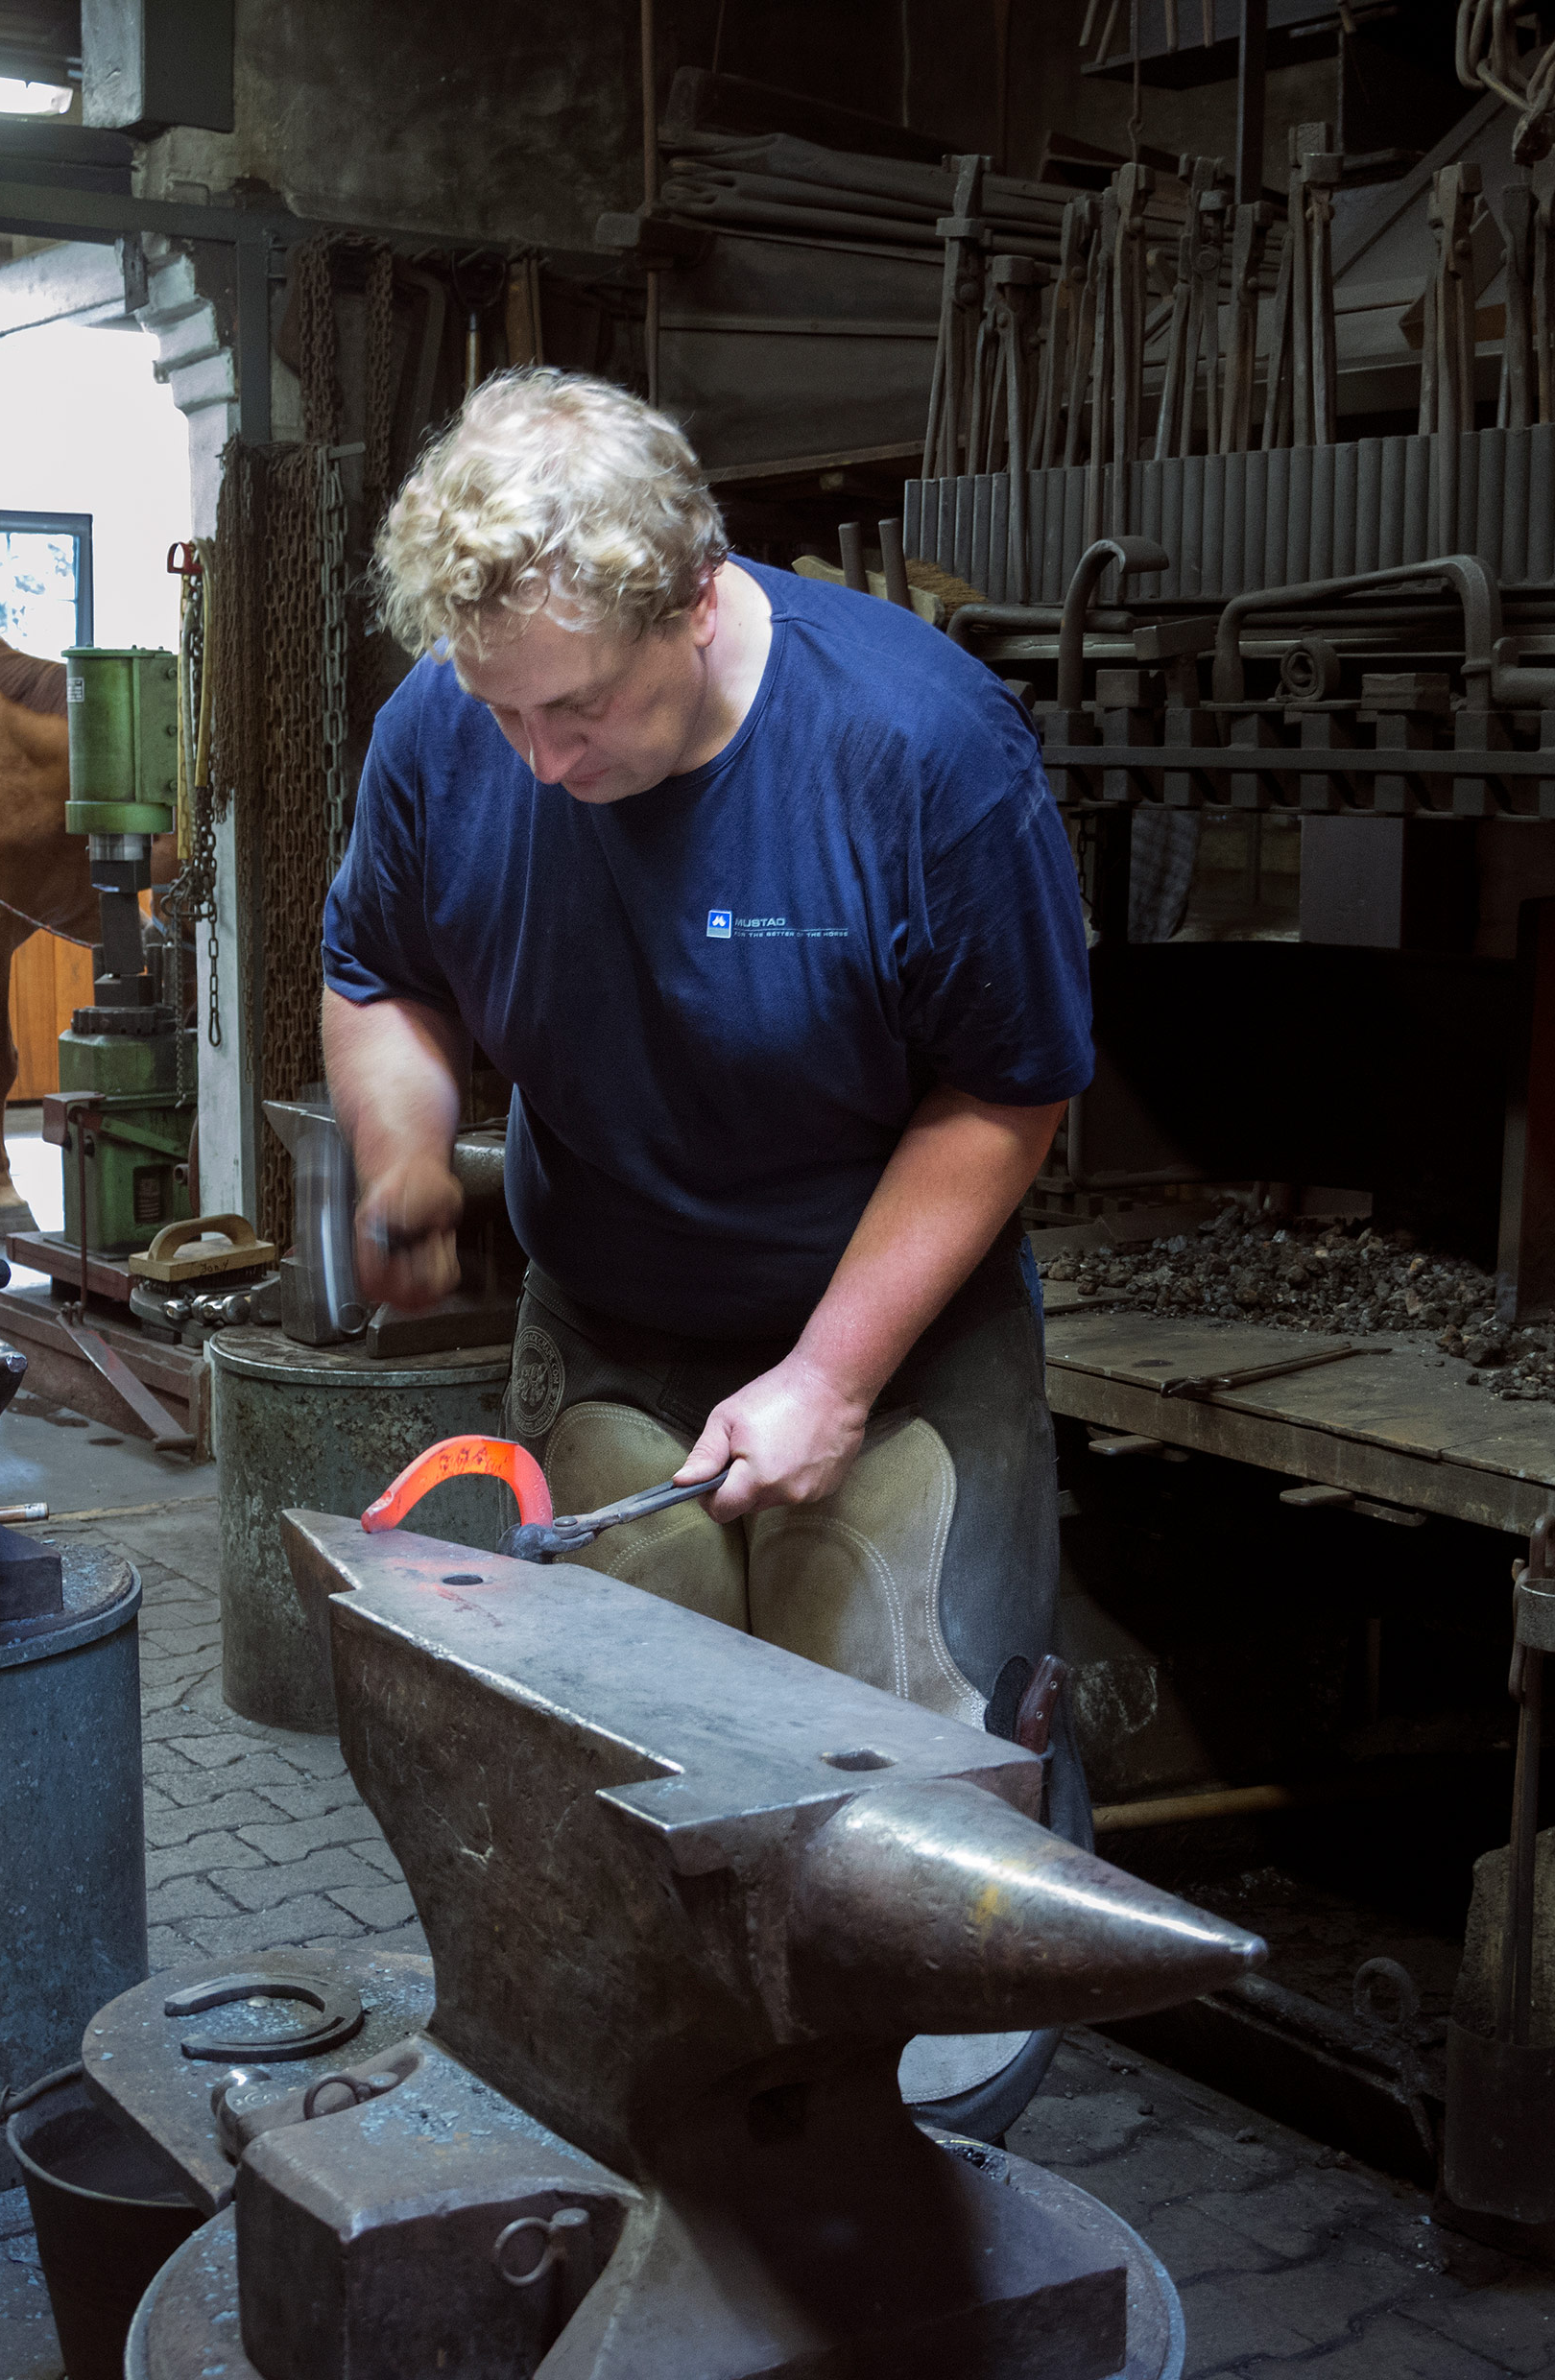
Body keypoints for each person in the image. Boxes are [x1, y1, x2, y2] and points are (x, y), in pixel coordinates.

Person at [322, 376, 1098, 2114]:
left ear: (694, 594)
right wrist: (405, 1151)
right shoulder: (457, 729)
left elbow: (1008, 1093)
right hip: (613, 1314)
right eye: (501, 709)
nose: (538, 762)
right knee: (630, 1771)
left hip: (893, 1338)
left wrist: (828, 1376)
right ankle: (689, 2156)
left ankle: (920, 2176)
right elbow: (383, 973)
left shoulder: (921, 751)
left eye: (578, 710)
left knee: (904, 1778)